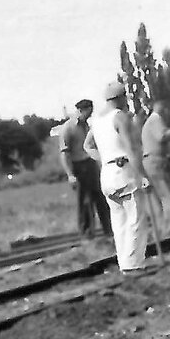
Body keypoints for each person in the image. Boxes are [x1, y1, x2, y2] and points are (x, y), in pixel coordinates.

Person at [83, 81, 152, 275]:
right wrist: (142, 175)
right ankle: (134, 265)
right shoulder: (119, 117)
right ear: (120, 98)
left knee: (119, 221)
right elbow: (131, 148)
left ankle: (125, 263)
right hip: (124, 171)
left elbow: (87, 146)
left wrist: (105, 159)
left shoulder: (97, 121)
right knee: (136, 218)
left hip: (107, 173)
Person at [57, 99, 113, 238]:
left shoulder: (87, 126)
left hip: (90, 164)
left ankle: (109, 229)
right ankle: (87, 234)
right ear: (80, 111)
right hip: (77, 166)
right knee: (84, 201)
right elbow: (64, 153)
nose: (89, 115)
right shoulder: (68, 128)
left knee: (100, 197)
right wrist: (70, 174)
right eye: (88, 112)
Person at [141, 98, 170, 237]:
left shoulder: (152, 121)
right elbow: (162, 137)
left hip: (154, 161)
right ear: (159, 106)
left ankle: (164, 230)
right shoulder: (155, 119)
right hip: (156, 161)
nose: (166, 110)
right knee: (169, 197)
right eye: (164, 106)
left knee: (163, 197)